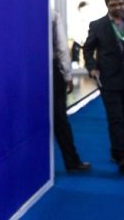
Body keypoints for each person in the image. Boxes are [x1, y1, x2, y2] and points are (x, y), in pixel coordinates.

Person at [83, 0, 124, 174]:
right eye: (113, 5)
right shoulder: (97, 25)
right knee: (115, 118)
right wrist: (92, 67)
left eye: (121, 4)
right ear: (107, 5)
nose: (118, 7)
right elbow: (87, 49)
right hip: (108, 79)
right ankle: (122, 155)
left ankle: (116, 150)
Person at [51, 10, 91, 172]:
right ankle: (72, 162)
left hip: (24, 71)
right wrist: (67, 75)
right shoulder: (52, 15)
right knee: (60, 119)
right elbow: (61, 47)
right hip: (50, 71)